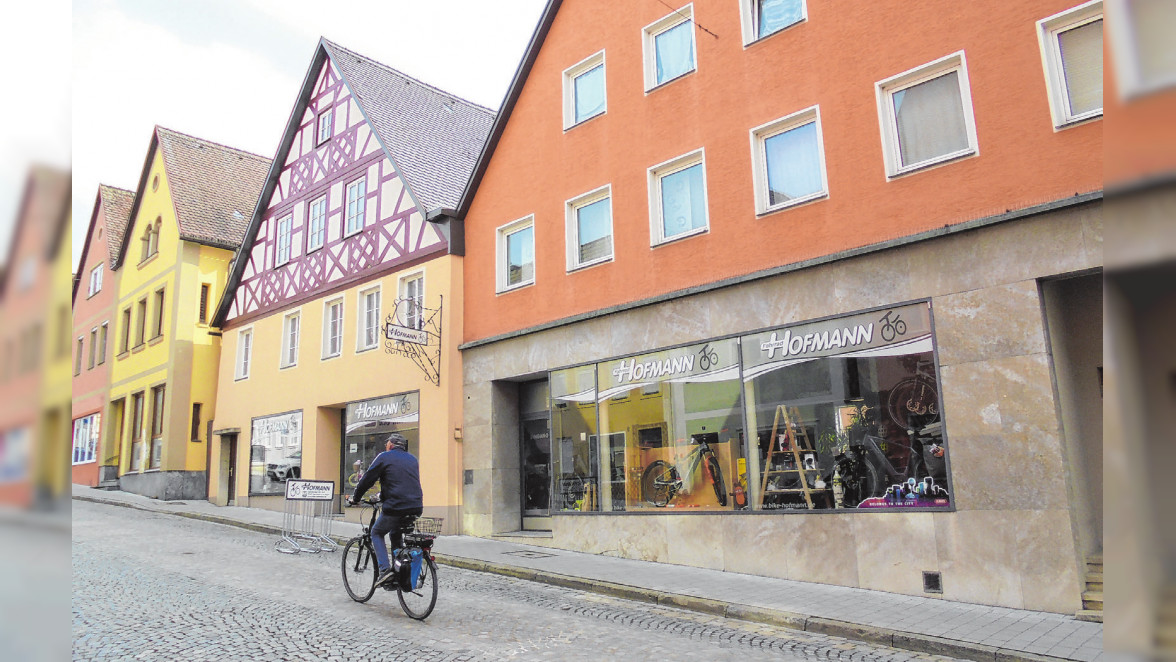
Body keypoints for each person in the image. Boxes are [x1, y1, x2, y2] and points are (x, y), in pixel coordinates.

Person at [348, 433, 424, 589]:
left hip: (397, 506)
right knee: (395, 534)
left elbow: (367, 479)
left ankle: (384, 571)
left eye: (386, 444)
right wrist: (381, 496)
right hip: (416, 506)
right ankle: (399, 571)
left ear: (391, 445)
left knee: (376, 532)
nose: (385, 446)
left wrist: (356, 498)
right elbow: (398, 482)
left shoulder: (384, 457)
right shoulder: (412, 459)